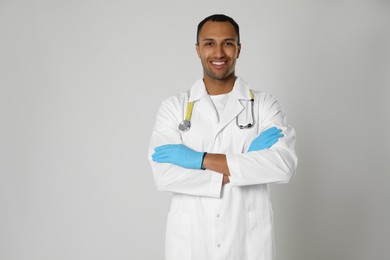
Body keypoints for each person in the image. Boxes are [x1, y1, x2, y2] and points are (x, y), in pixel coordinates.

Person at [148, 14, 297, 260]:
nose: (219, 52)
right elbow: (163, 176)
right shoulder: (174, 107)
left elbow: (283, 166)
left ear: (238, 49)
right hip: (191, 242)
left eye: (227, 43)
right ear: (197, 49)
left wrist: (199, 158)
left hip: (247, 242)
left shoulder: (264, 105)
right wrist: (246, 162)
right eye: (209, 43)